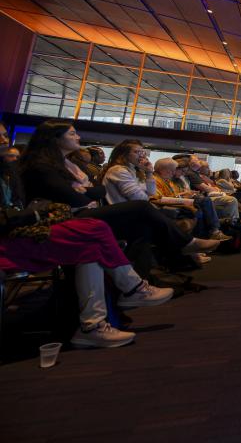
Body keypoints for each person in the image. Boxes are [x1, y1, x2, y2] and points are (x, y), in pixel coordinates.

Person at [0, 122, 173, 348]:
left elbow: (91, 192)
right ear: (54, 138)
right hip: (17, 237)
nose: (5, 140)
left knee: (93, 242)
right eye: (73, 134)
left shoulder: (15, 170)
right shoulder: (38, 166)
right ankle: (131, 290)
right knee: (102, 227)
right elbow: (76, 198)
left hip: (31, 227)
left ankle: (93, 325)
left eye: (5, 134)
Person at [19, 121, 220, 274]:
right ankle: (187, 245)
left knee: (146, 225)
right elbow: (82, 198)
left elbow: (98, 192)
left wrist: (148, 174)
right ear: (55, 138)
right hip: (70, 216)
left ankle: (143, 279)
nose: (78, 137)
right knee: (145, 210)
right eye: (72, 134)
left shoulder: (70, 164)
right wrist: (86, 192)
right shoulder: (116, 170)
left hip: (92, 210)